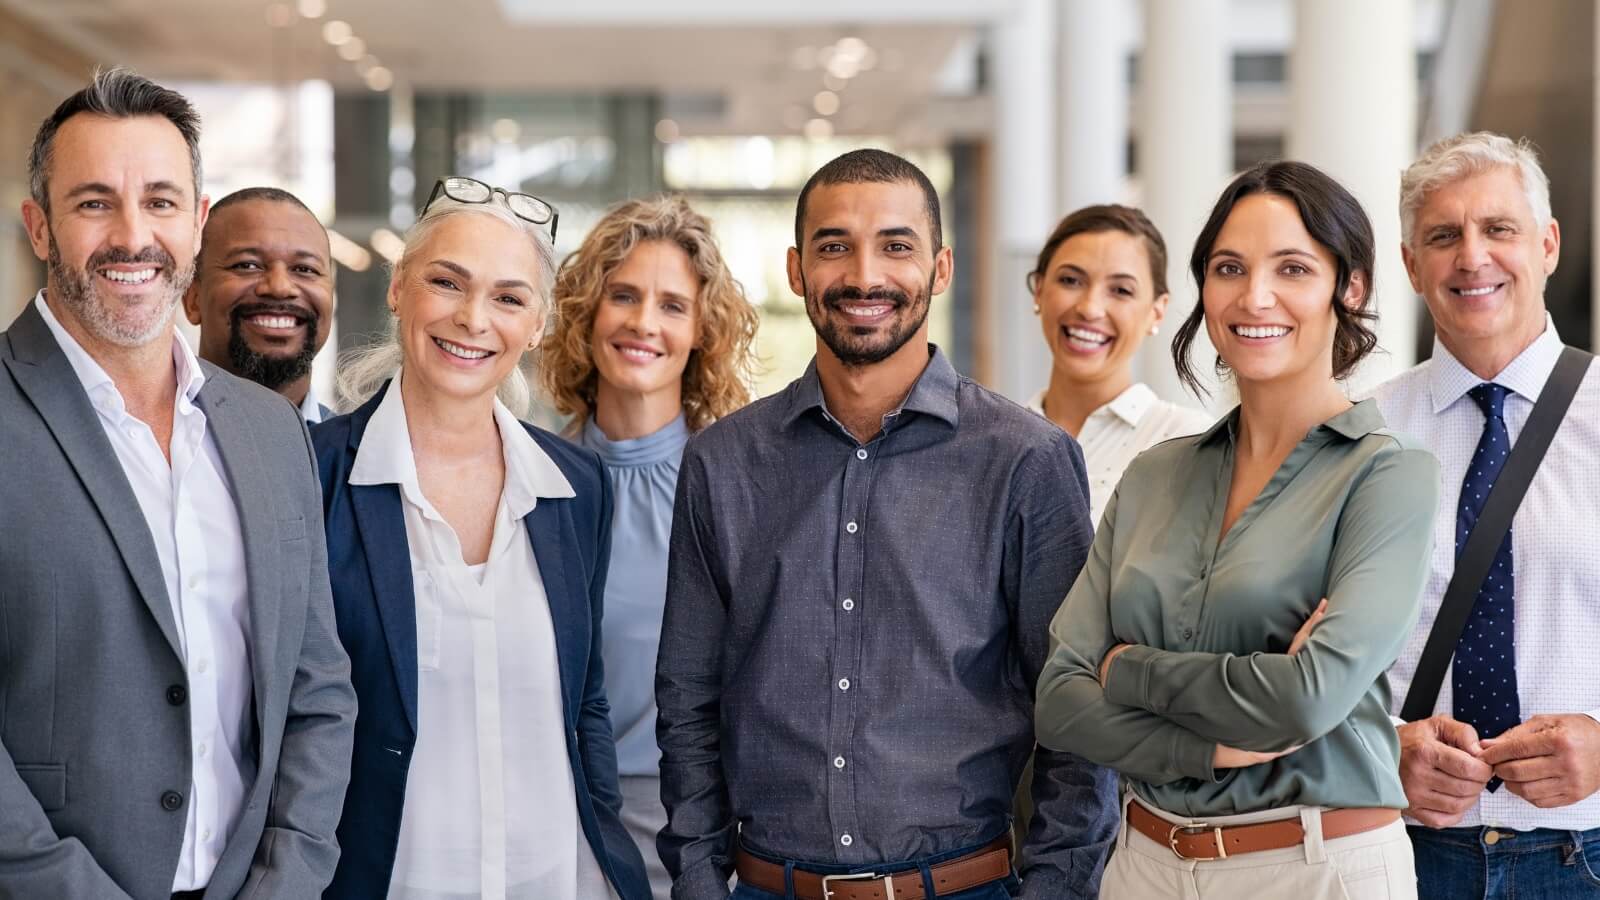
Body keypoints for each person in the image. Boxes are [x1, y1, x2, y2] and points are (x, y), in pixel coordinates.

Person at [656, 148, 1118, 900]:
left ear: (940, 270)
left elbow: (1078, 715)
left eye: (895, 246)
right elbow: (687, 703)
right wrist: (703, 884)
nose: (864, 276)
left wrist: (1056, 889)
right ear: (797, 269)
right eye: (834, 246)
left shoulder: (1026, 461)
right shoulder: (722, 464)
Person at [1036, 160, 1441, 899]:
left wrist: (1126, 671)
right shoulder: (1155, 475)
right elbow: (1060, 701)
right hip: (1143, 865)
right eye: (1229, 268)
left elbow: (1306, 700)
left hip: (1316, 867)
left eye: (1293, 268)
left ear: (1348, 289)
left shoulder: (1389, 475)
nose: (1255, 296)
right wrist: (1207, 743)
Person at [0, 69, 356, 899]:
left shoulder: (268, 432)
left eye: (160, 202)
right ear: (39, 227)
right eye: (94, 203)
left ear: (195, 223)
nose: (133, 237)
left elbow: (317, 691)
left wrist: (286, 878)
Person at [314, 175, 649, 900]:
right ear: (399, 289)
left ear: (537, 325)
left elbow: (585, 699)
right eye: (447, 282)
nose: (473, 318)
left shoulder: (575, 485)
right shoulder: (313, 476)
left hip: (562, 879)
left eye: (508, 297)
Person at [1373, 132, 1600, 900]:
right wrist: (1382, 749)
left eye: (1498, 229)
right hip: (1403, 855)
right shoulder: (1357, 435)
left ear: (1547, 244)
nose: (1472, 257)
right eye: (1443, 236)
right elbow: (1303, 658)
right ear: (1411, 266)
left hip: (1587, 854)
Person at [541, 194, 759, 898]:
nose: (642, 322)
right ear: (586, 313)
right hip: (554, 822)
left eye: (672, 305)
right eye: (623, 296)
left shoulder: (738, 488)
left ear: (702, 330)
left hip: (704, 834)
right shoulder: (530, 479)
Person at [1025, 204, 1210, 521]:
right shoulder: (993, 439)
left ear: (1157, 311)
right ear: (1040, 290)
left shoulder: (1191, 444)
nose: (1090, 308)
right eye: (1071, 280)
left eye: (1121, 290)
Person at [184, 186, 335, 423]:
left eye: (305, 269)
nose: (280, 287)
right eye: (247, 265)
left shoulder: (362, 454)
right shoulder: (145, 445)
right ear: (191, 298)